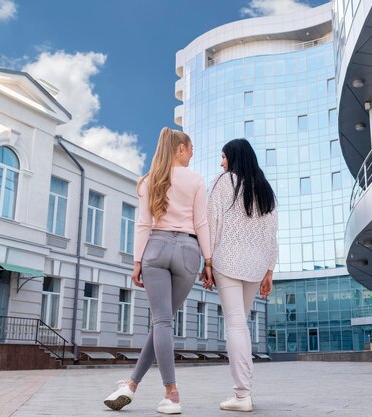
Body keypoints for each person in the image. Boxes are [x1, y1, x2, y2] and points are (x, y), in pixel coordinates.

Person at [104, 127, 212, 414]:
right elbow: (202, 224)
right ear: (179, 149)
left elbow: (142, 224)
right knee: (163, 323)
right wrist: (209, 261)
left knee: (161, 322)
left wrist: (137, 261)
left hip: (156, 248)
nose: (192, 154)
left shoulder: (149, 180)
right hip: (189, 252)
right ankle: (158, 391)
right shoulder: (197, 180)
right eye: (190, 149)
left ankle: (141, 386)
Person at [202, 138, 277, 412]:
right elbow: (272, 235)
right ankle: (244, 391)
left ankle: (242, 394)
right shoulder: (265, 188)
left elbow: (211, 223)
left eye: (223, 157)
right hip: (256, 266)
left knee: (234, 325)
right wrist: (269, 270)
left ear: (233, 157)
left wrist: (207, 262)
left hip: (227, 261)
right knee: (240, 324)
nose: (221, 163)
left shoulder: (223, 182)